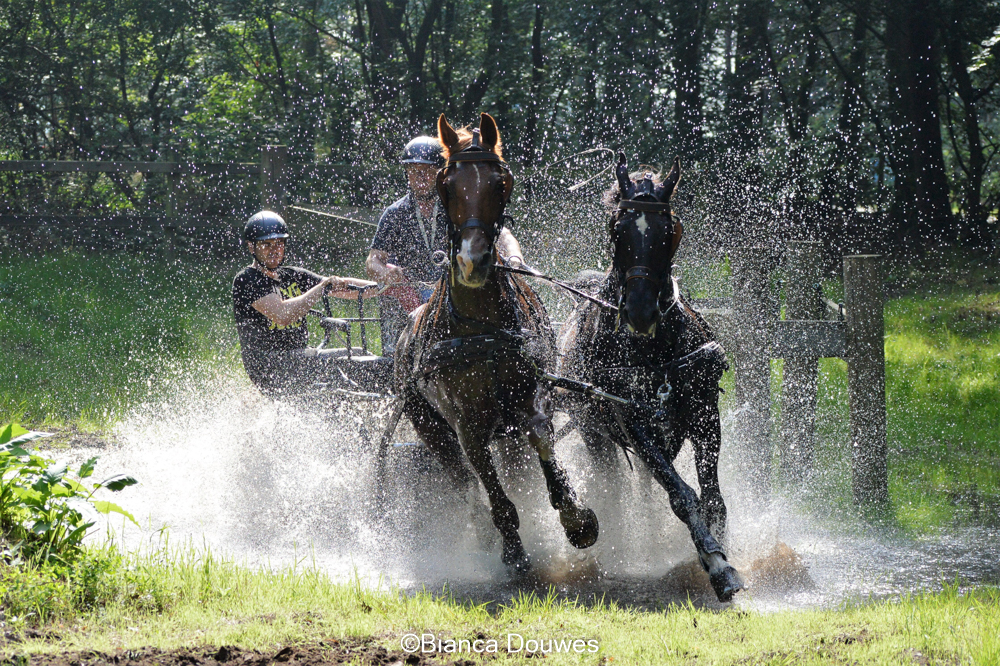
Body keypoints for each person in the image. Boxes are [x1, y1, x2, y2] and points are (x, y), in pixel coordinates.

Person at [366, 135, 526, 352]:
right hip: (409, 294)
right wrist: (386, 274)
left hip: (451, 293)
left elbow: (503, 235)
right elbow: (373, 261)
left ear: (441, 175)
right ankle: (398, 354)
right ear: (407, 174)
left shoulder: (455, 207)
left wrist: (515, 259)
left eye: (427, 170)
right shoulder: (395, 214)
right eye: (413, 171)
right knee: (396, 297)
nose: (420, 176)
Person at [233, 210, 377, 397]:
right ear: (251, 247)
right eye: (266, 244)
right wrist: (321, 288)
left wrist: (382, 287)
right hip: (271, 366)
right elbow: (283, 315)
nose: (274, 250)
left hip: (301, 358)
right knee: (341, 369)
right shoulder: (247, 280)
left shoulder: (291, 274)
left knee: (362, 356)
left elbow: (341, 286)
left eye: (279, 243)